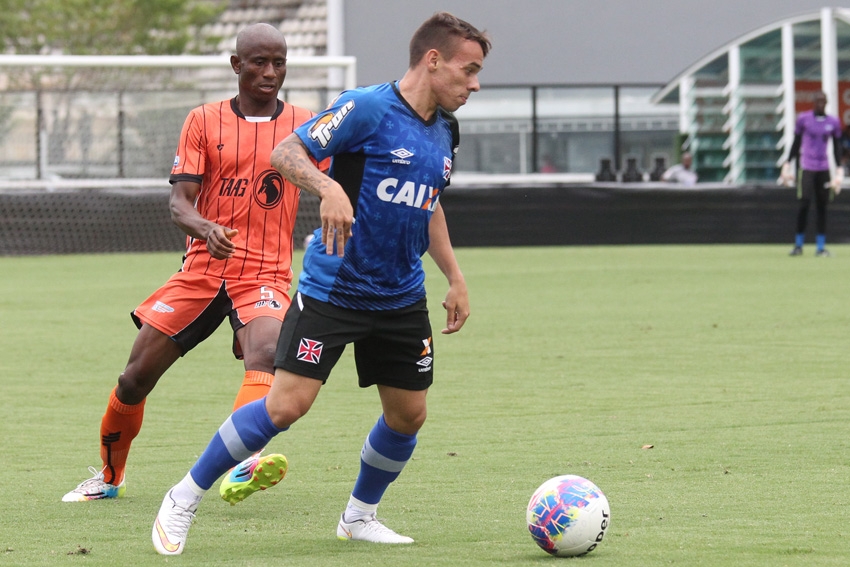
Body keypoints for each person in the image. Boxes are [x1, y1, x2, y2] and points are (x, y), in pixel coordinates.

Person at [151, 11, 491, 555]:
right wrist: (328, 188)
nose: (474, 84)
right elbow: (286, 152)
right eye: (468, 70)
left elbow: (430, 205)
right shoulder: (368, 106)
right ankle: (184, 495)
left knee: (409, 415)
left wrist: (455, 276)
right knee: (286, 406)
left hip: (401, 295)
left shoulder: (446, 129)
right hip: (336, 288)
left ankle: (359, 516)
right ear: (433, 60)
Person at [63, 23, 323, 502]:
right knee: (133, 378)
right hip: (202, 270)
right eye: (259, 62)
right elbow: (180, 203)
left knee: (265, 353)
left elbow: (339, 182)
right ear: (236, 65)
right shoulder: (203, 120)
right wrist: (207, 229)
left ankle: (243, 464)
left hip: (263, 273)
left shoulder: (307, 127)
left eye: (279, 63)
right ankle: (109, 477)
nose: (270, 72)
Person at [780, 90, 843, 257]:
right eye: (818, 101)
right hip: (807, 167)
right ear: (813, 102)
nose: (821, 103)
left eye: (823, 101)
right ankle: (798, 245)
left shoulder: (833, 122)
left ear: (827, 102)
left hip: (823, 169)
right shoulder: (804, 119)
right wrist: (788, 162)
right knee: (804, 204)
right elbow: (796, 142)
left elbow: (837, 147)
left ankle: (820, 247)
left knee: (822, 207)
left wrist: (839, 168)